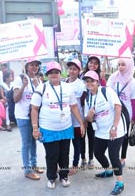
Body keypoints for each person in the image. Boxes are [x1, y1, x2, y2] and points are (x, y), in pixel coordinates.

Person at [30, 61, 85, 189]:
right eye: (51, 73)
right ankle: (51, 178)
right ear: (47, 75)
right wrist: (35, 128)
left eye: (56, 72)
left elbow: (73, 107)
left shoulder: (67, 88)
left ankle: (64, 176)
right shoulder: (41, 88)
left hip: (66, 128)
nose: (54, 75)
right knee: (52, 155)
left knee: (64, 154)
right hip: (49, 129)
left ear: (60, 73)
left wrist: (81, 123)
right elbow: (34, 109)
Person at [83, 70, 125, 195]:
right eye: (87, 81)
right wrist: (89, 116)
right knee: (98, 153)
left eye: (92, 81)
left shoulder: (106, 91)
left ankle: (120, 183)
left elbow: (118, 107)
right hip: (100, 131)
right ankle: (108, 171)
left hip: (115, 130)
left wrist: (114, 127)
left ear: (97, 82)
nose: (89, 83)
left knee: (113, 156)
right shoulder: (88, 98)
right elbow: (89, 119)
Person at [13, 57, 43, 180]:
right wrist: (24, 86)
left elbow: (41, 99)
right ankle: (27, 169)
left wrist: (38, 86)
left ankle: (34, 165)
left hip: (34, 116)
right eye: (32, 65)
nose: (34, 67)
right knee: (26, 143)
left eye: (36, 65)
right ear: (26, 66)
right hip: (23, 116)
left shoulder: (38, 81)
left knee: (33, 140)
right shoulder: (20, 79)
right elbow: (15, 99)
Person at [107, 58, 135, 168]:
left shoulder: (133, 82)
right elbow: (107, 91)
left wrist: (133, 117)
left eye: (123, 65)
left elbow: (134, 101)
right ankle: (113, 157)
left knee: (124, 136)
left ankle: (122, 158)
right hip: (113, 111)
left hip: (126, 113)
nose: (120, 67)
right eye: (119, 64)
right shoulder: (113, 77)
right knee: (113, 135)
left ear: (129, 66)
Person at [79, 55, 103, 170]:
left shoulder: (101, 78)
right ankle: (83, 158)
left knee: (92, 137)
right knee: (82, 136)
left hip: (95, 114)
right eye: (90, 62)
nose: (92, 65)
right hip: (82, 111)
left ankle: (91, 159)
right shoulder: (81, 77)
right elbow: (81, 96)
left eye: (95, 63)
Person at [65, 59, 85, 175]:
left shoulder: (81, 85)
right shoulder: (64, 82)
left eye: (75, 69)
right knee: (66, 144)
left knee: (77, 143)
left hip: (77, 120)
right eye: (70, 69)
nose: (72, 71)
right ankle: (64, 165)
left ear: (79, 71)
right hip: (66, 120)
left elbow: (83, 104)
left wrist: (83, 121)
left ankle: (75, 165)